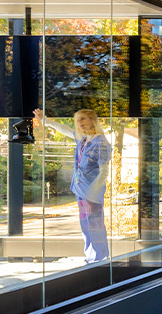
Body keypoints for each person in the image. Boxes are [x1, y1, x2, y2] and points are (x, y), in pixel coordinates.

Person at [35, 106, 111, 262]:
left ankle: (99, 258)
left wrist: (92, 192)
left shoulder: (101, 142)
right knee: (86, 225)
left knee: (95, 224)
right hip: (80, 190)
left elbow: (104, 171)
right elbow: (64, 129)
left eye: (83, 118)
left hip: (91, 192)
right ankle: (91, 257)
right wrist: (45, 121)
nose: (80, 123)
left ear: (93, 120)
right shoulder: (83, 139)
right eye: (77, 120)